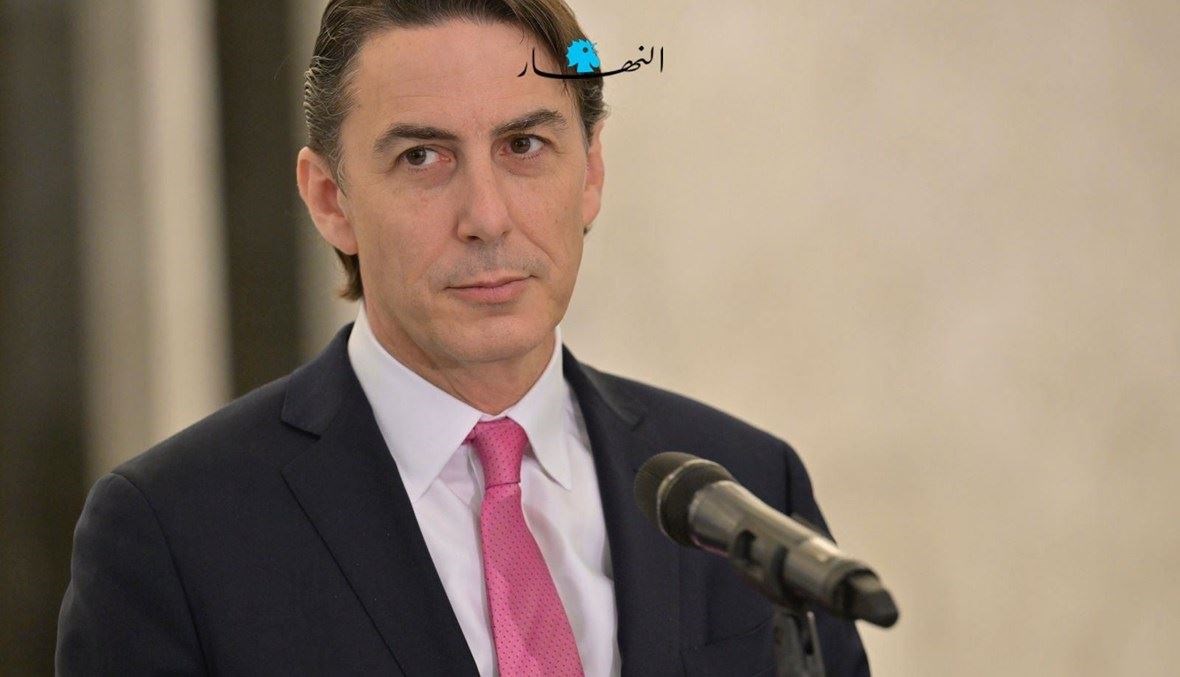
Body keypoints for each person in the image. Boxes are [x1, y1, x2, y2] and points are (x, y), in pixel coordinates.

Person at [56, 1, 870, 674]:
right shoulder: (173, 532)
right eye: (423, 157)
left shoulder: (747, 487)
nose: (487, 216)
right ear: (331, 199)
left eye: (524, 146)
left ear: (590, 171)